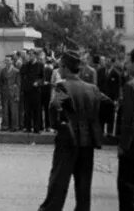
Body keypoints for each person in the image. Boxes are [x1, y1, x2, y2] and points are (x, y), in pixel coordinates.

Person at [38, 49, 110, 211]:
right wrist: (96, 123)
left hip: (68, 141)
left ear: (64, 67)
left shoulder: (63, 86)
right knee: (84, 188)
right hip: (88, 142)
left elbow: (54, 106)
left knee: (58, 184)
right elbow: (108, 104)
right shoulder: (92, 88)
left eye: (60, 67)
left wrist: (57, 125)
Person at [117, 47, 134, 210]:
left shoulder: (132, 86)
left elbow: (130, 120)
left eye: (128, 62)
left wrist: (123, 146)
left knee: (129, 194)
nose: (126, 65)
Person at [0, 54, 21, 132]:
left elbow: (18, 84)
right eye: (6, 60)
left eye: (8, 60)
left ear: (12, 61)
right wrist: (1, 91)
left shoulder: (16, 71)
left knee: (13, 110)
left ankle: (14, 126)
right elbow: (1, 82)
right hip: (5, 92)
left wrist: (17, 94)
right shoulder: (3, 70)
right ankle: (5, 125)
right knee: (5, 110)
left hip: (13, 92)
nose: (7, 62)